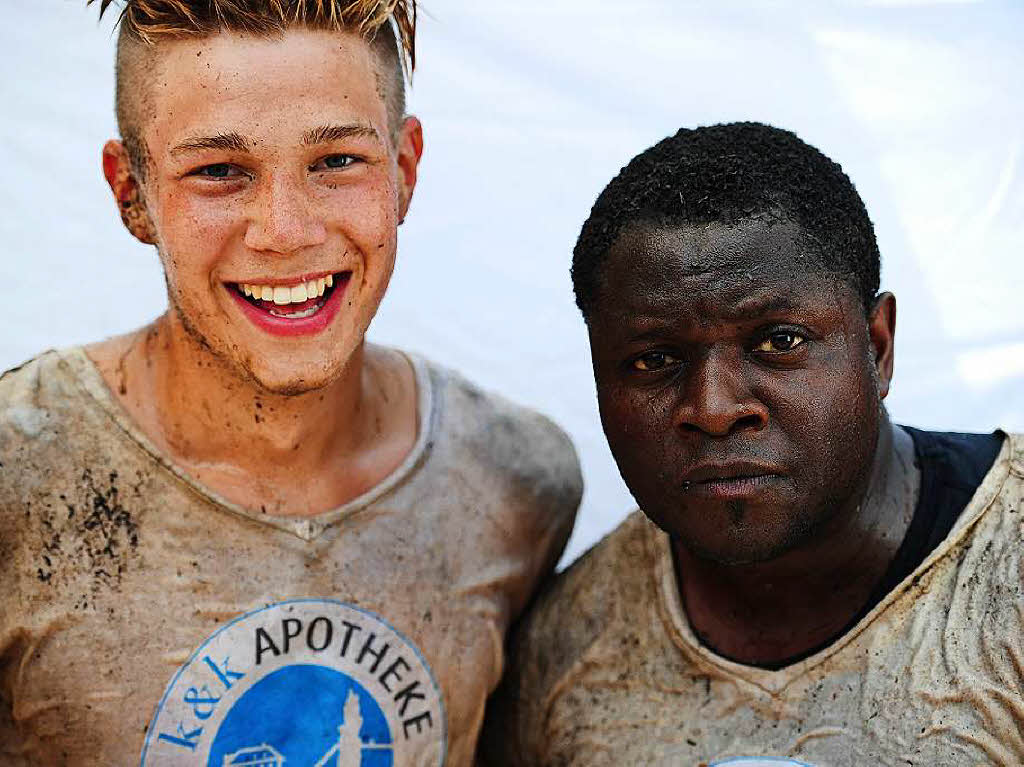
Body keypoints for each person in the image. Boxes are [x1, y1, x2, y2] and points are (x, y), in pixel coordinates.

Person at [0, 2, 581, 765]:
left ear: (403, 170)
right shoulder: (21, 476)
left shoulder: (515, 483)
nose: (286, 230)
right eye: (218, 171)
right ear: (131, 192)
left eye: (337, 161)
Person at [480, 122, 1021, 766]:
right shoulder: (566, 649)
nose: (713, 410)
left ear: (877, 348)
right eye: (655, 359)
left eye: (780, 342)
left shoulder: (1006, 570)